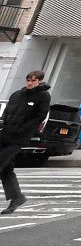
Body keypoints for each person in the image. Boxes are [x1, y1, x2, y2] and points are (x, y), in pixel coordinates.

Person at [0, 71, 51, 214]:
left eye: (33, 81)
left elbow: (40, 116)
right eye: (28, 80)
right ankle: (17, 197)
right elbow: (6, 112)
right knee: (6, 169)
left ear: (40, 81)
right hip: (4, 135)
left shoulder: (43, 96)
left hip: (18, 139)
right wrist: (2, 121)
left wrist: (22, 130)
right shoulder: (16, 95)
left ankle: (17, 197)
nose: (30, 83)